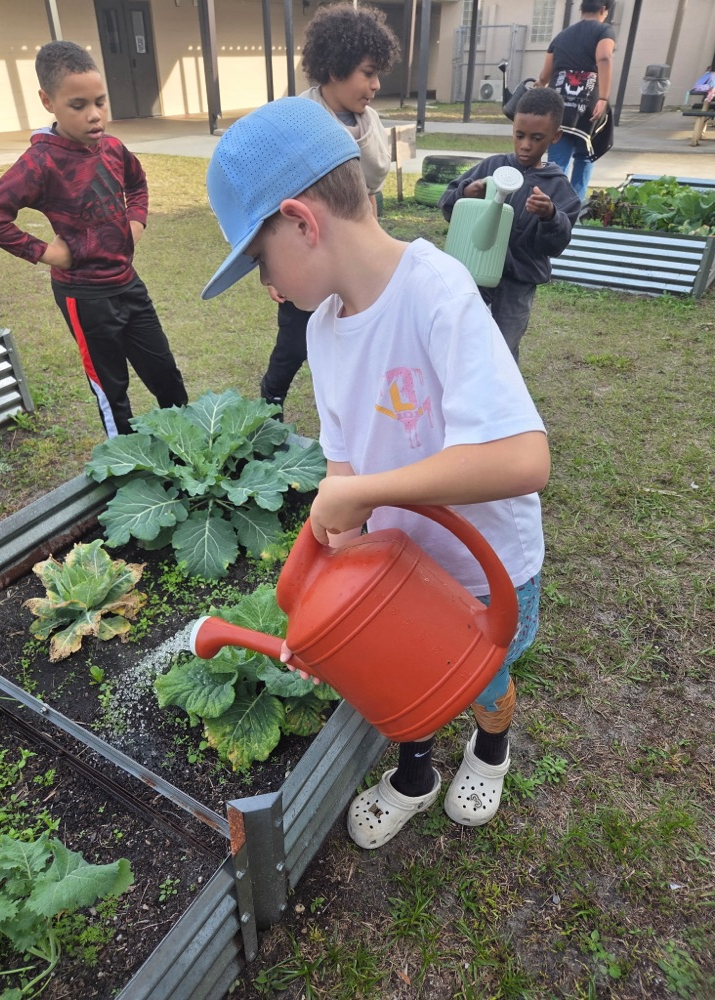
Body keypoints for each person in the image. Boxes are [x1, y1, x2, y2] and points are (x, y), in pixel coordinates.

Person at [201, 97, 551, 850]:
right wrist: (318, 608)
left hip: (486, 571)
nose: (266, 284)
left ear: (301, 220)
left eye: (259, 260)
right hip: (400, 572)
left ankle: (492, 747)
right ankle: (417, 774)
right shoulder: (324, 330)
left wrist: (364, 491)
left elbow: (524, 460)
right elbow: (343, 471)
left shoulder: (438, 292)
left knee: (479, 678)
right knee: (403, 680)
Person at [0, 40, 187, 438]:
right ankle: (128, 465)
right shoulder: (40, 162)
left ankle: (192, 445)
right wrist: (48, 253)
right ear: (47, 101)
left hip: (128, 284)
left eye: (101, 102)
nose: (95, 115)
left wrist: (135, 223)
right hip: (84, 297)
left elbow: (137, 184)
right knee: (112, 389)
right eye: (78, 105)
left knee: (165, 372)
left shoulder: (114, 149)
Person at [258, 2, 400, 414]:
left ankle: (348, 409)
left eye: (377, 75)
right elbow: (273, 207)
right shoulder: (298, 120)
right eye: (368, 73)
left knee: (354, 334)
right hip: (308, 251)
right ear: (336, 69)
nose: (375, 85)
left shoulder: (370, 121)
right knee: (295, 340)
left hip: (355, 251)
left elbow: (370, 189)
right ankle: (271, 399)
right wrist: (272, 273)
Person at [438, 88, 581, 364]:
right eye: (519, 135)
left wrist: (550, 215)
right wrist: (466, 193)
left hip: (517, 285)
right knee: (463, 341)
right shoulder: (492, 167)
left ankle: (500, 398)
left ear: (555, 137)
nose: (526, 145)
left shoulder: (557, 188)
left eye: (536, 138)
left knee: (502, 348)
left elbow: (555, 244)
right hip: (475, 278)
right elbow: (448, 204)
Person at [534, 0, 615, 201]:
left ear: (582, 9)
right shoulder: (604, 30)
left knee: (557, 162)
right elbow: (604, 58)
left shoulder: (561, 36)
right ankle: (572, 209)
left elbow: (545, 75)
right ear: (604, 10)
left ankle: (549, 206)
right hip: (588, 105)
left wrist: (536, 88)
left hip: (557, 105)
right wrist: (604, 97)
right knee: (584, 157)